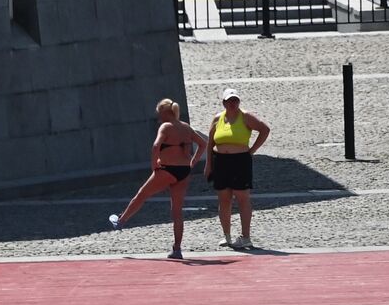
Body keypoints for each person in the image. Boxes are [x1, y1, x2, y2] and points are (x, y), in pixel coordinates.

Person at [109, 99, 208, 260]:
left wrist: (154, 164)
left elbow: (156, 146)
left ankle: (120, 221)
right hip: (184, 171)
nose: (158, 118)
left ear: (164, 112)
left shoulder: (166, 127)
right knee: (177, 211)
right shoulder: (185, 127)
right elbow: (203, 144)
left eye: (159, 114)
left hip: (166, 169)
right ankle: (177, 249)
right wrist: (193, 161)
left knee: (142, 195)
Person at [205, 88, 270, 249]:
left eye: (236, 100)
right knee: (224, 199)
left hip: (240, 161)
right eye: (230, 100)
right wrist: (208, 164)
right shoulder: (218, 118)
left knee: (243, 198)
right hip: (220, 160)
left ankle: (245, 237)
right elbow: (210, 142)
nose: (233, 103)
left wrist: (252, 150)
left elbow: (264, 129)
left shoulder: (246, 116)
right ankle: (227, 236)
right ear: (224, 103)